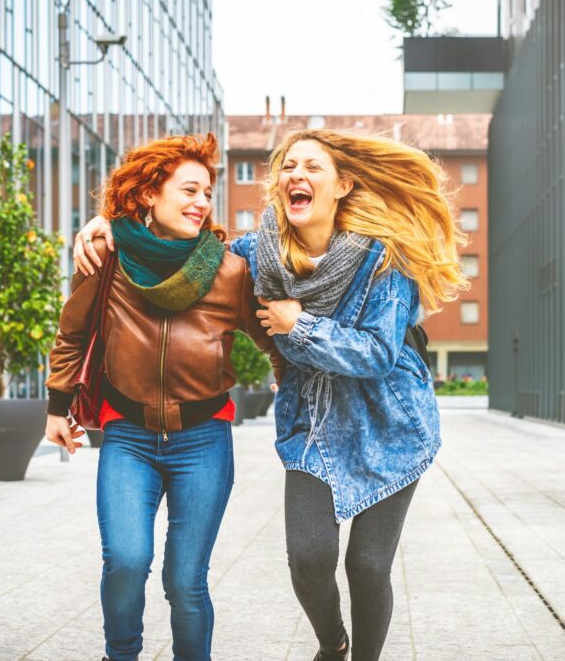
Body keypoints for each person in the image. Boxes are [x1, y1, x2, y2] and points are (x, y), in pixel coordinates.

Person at [74, 128, 467, 660]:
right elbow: (188, 251)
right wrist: (113, 228)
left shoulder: (384, 260)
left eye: (311, 167)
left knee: (367, 565)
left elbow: (377, 354)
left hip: (389, 425)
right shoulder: (259, 254)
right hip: (312, 426)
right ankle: (333, 643)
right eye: (287, 167)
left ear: (344, 184)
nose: (294, 176)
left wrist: (299, 325)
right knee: (308, 558)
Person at [45, 133, 284, 661]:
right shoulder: (108, 256)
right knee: (126, 561)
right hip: (127, 435)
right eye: (190, 190)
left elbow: (274, 336)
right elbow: (72, 332)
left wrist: (288, 376)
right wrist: (56, 410)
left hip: (203, 440)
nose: (202, 202)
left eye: (207, 194)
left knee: (185, 581)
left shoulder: (228, 271)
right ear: (150, 193)